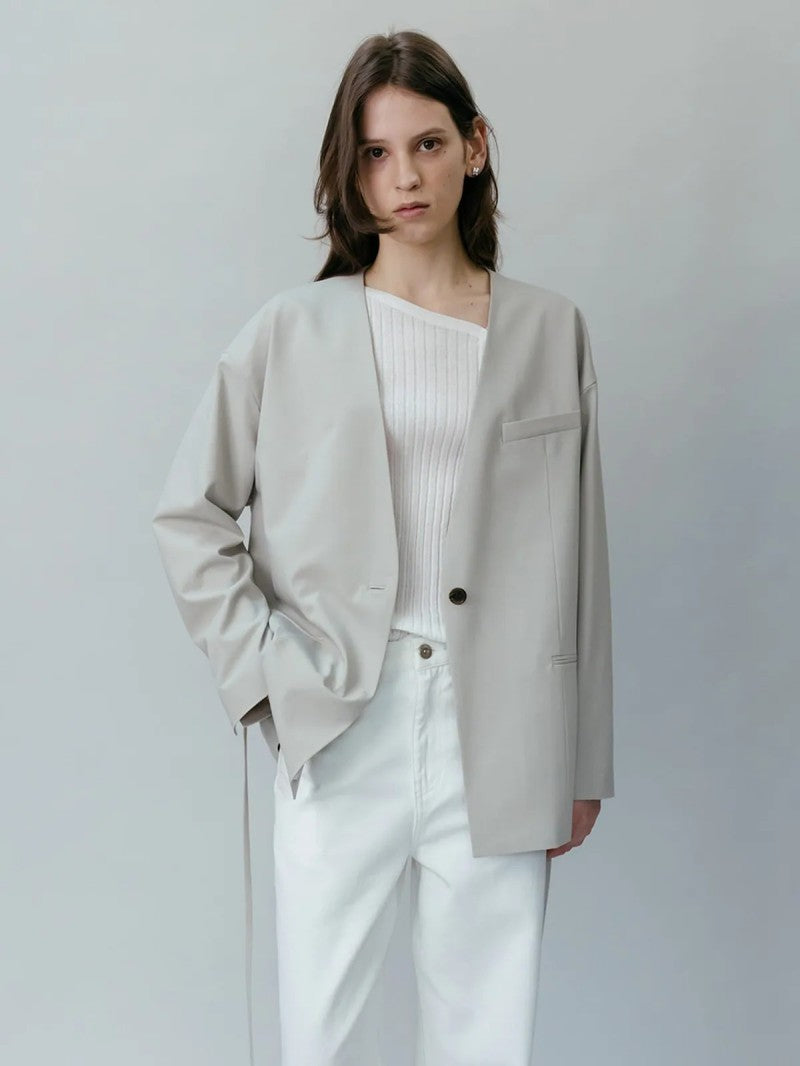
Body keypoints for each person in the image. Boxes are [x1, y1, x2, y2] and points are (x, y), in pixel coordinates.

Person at [152, 28, 614, 1066]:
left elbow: (580, 558)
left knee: (486, 1034)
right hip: (340, 714)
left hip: (503, 728)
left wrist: (581, 755)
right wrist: (268, 677)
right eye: (374, 153)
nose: (403, 177)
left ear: (475, 146)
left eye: (427, 144)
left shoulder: (550, 331)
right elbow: (191, 514)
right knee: (322, 1036)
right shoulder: (292, 330)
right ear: (349, 171)